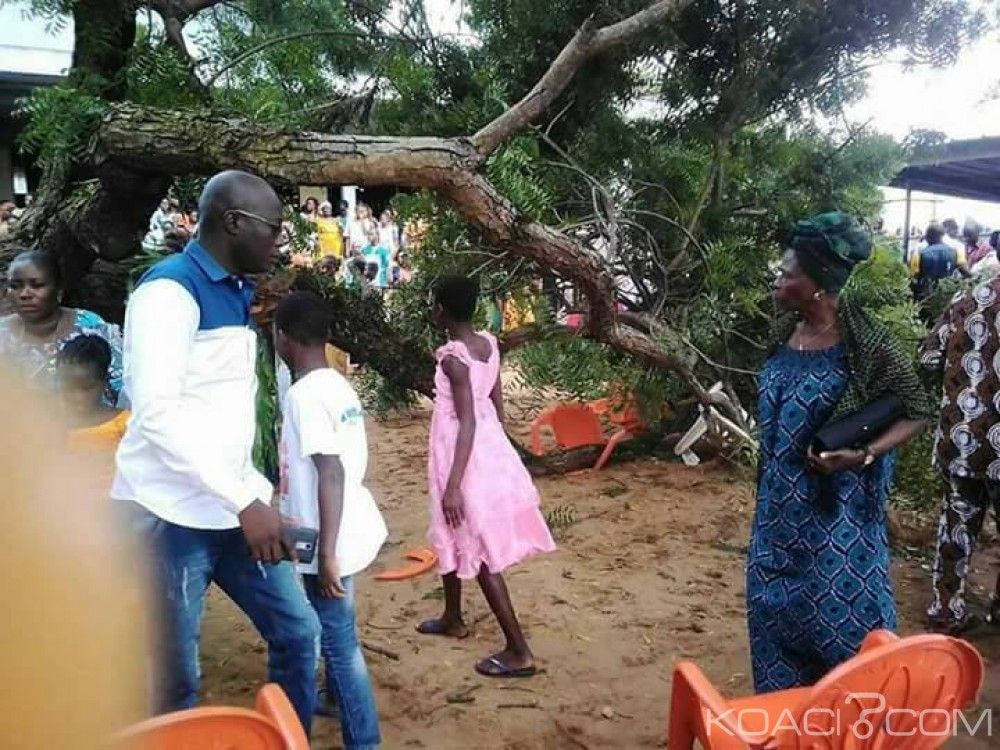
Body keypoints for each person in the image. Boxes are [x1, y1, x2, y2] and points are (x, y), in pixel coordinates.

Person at [112, 171, 321, 732]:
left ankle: (289, 738)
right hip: (169, 515)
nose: (279, 241)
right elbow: (156, 413)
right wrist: (244, 499)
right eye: (272, 229)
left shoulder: (234, 288)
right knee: (175, 676)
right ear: (233, 222)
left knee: (300, 633)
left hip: (233, 508)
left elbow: (220, 411)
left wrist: (255, 494)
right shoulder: (167, 293)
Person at [749, 211, 932, 693]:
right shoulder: (782, 336)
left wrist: (863, 455)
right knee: (775, 651)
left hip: (839, 534)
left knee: (847, 662)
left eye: (788, 273)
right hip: (775, 526)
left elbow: (916, 409)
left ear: (816, 285)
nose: (778, 277)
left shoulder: (868, 344)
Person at [417, 275, 556, 677]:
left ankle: (519, 650)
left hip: (460, 454)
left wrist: (455, 484)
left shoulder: (452, 359)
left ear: (441, 311)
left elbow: (467, 421)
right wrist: (498, 451)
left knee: (474, 543)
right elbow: (495, 404)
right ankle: (452, 616)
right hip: (486, 448)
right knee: (450, 527)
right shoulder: (489, 344)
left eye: (433, 303)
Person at [275, 291, 386, 749]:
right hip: (340, 525)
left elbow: (331, 472)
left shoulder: (305, 394)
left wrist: (326, 554)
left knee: (340, 642)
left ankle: (364, 739)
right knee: (337, 627)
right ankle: (337, 699)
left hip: (327, 534)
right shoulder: (337, 383)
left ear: (283, 337)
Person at [920, 276, 1000, 633]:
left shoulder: (965, 298)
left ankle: (945, 611)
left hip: (961, 438)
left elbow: (928, 355)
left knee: (956, 526)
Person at [0, 249, 124, 407]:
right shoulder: (3, 335)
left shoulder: (90, 327)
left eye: (36, 285)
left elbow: (120, 387)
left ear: (59, 291)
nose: (24, 294)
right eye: (15, 286)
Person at [56, 335, 130, 450]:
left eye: (87, 387)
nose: (78, 396)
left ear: (105, 382)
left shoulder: (125, 426)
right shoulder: (50, 428)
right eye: (69, 387)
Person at [910, 222, 971, 301]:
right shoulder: (954, 252)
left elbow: (914, 276)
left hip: (926, 296)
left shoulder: (919, 252)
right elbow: (964, 271)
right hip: (947, 294)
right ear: (942, 236)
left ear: (928, 236)